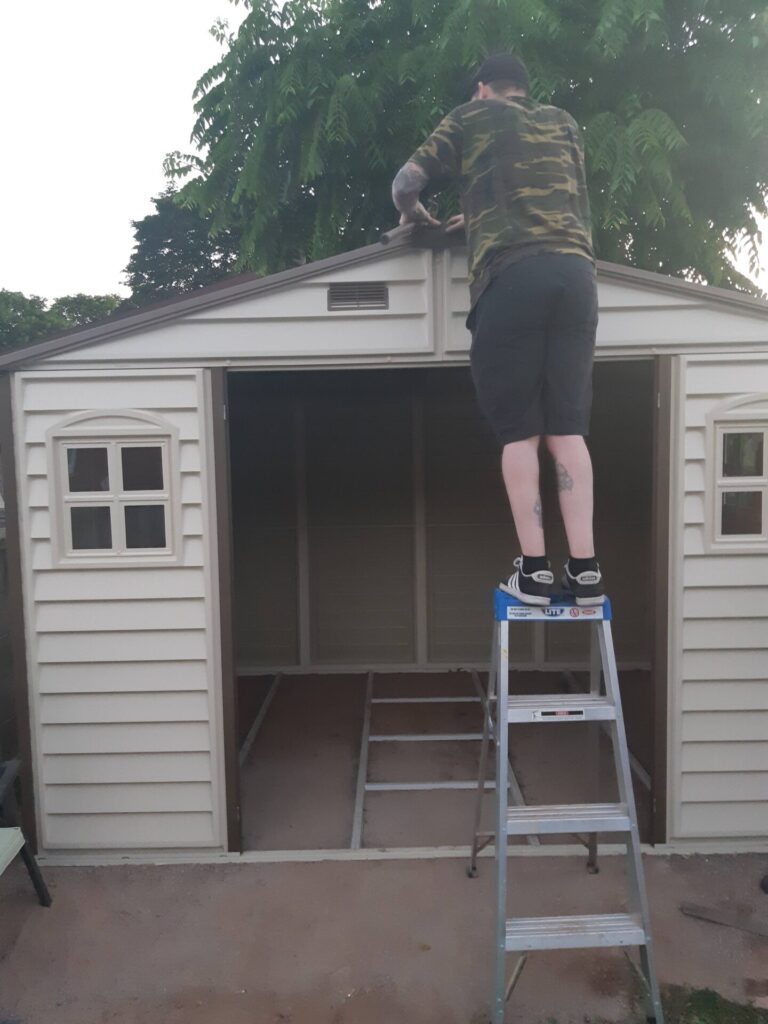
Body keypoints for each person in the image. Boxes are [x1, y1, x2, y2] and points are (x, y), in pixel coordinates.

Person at [392, 52, 604, 607]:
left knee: (520, 432)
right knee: (567, 429)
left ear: (482, 89)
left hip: (513, 276)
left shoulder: (471, 115)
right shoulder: (564, 123)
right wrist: (479, 215)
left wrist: (413, 213)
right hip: (576, 274)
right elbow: (554, 200)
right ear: (524, 89)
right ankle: (584, 572)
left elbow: (406, 181)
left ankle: (534, 572)